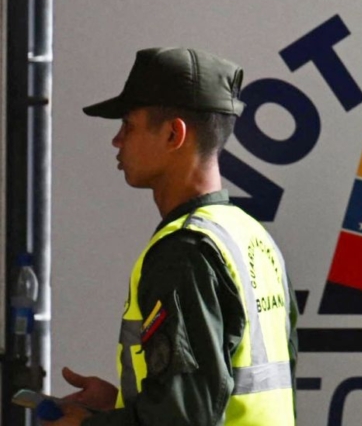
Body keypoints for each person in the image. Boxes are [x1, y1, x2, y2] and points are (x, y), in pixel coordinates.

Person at [44, 47, 298, 426]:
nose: (117, 140)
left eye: (128, 125)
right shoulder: (249, 235)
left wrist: (87, 425)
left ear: (173, 134)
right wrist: (121, 404)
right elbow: (222, 393)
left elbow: (181, 418)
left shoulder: (185, 251)